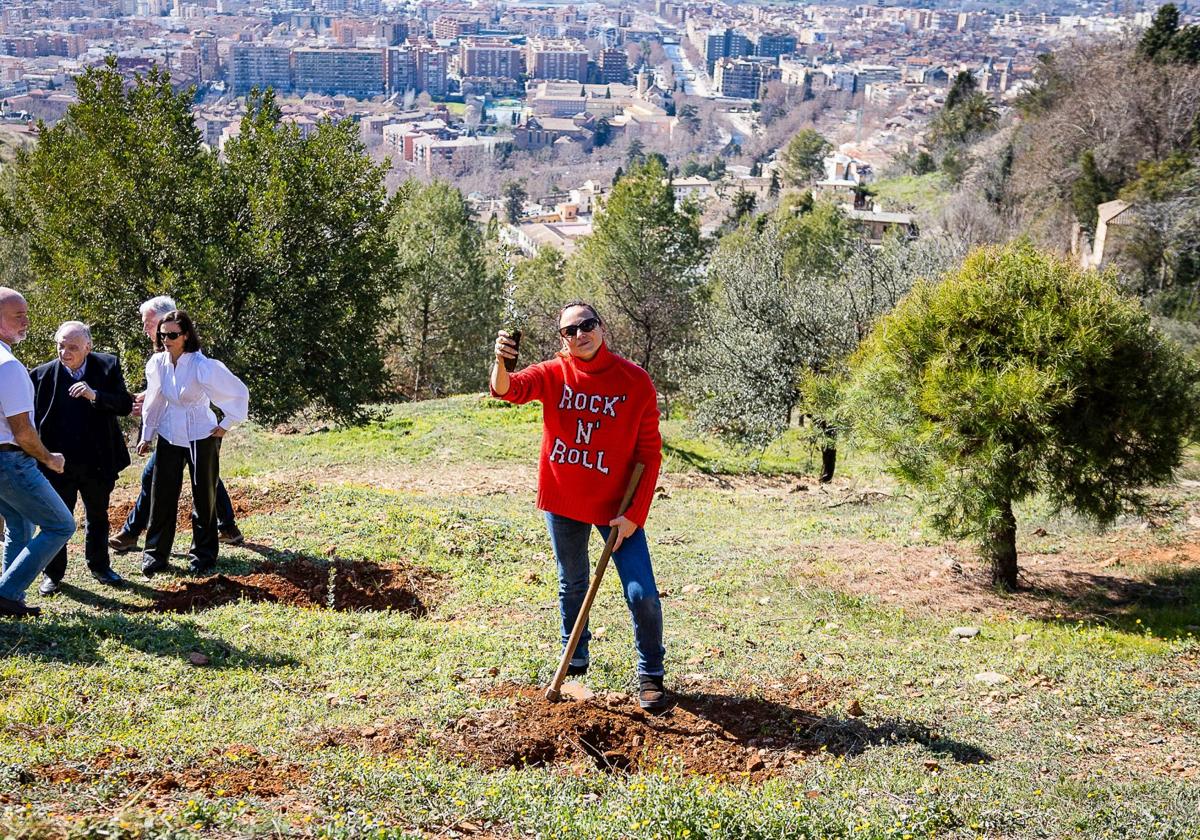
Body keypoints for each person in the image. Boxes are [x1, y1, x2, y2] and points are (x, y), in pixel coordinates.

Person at [491, 302, 668, 711]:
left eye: (586, 325)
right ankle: (576, 658)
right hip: (564, 501)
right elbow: (507, 389)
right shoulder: (554, 373)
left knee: (642, 593)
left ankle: (651, 675)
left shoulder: (635, 381)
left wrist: (633, 515)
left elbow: (650, 452)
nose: (579, 334)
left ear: (601, 327)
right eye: (569, 331)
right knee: (572, 582)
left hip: (617, 509)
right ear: (562, 340)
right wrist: (500, 361)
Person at [109, 296, 243, 553]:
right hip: (172, 430)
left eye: (148, 323)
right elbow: (164, 389)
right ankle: (227, 527)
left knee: (175, 477)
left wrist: (227, 422)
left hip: (192, 428)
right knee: (202, 476)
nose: (146, 329)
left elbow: (192, 386)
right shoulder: (161, 356)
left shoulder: (193, 358)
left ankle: (132, 531)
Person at [136, 310, 249, 577]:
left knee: (204, 496)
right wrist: (147, 435)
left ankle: (203, 555)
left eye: (173, 335)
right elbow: (154, 400)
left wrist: (225, 425)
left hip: (201, 435)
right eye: (163, 335)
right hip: (169, 435)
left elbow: (237, 392)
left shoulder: (202, 366)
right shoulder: (158, 363)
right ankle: (155, 555)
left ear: (186, 335)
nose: (167, 340)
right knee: (162, 495)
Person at [30, 321, 133, 595]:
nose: (64, 352)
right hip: (57, 463)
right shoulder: (40, 375)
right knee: (56, 519)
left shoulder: (108, 366)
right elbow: (32, 420)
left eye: (72, 347)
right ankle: (53, 574)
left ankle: (100, 566)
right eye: (60, 346)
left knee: (97, 516)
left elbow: (124, 404)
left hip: (97, 461)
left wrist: (94, 395)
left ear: (88, 347)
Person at [0, 288, 75, 618]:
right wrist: (48, 458)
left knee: (18, 525)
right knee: (61, 525)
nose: (26, 321)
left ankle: (7, 596)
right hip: (12, 462)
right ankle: (7, 593)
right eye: (18, 315)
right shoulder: (9, 366)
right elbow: (23, 431)